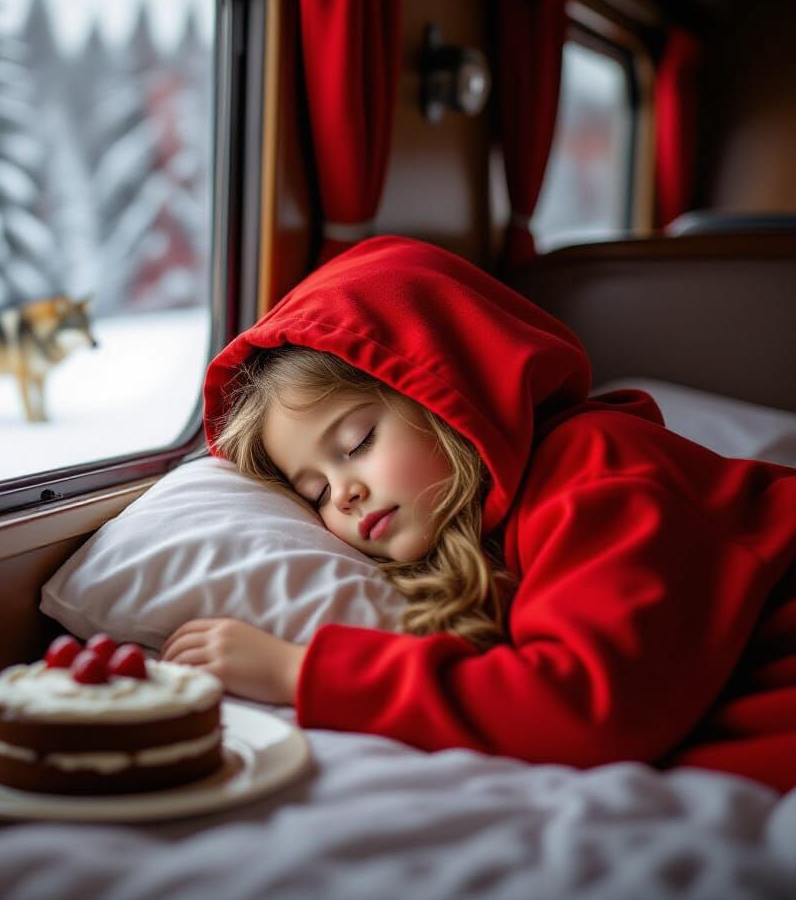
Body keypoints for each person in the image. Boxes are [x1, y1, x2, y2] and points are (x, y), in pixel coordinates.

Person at [162, 235, 796, 791]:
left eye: (356, 444)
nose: (344, 494)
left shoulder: (601, 470)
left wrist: (297, 670)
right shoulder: (489, 525)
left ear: (447, 390)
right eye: (316, 493)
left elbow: (586, 709)